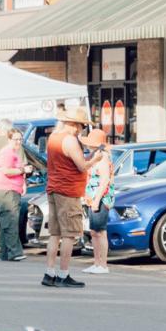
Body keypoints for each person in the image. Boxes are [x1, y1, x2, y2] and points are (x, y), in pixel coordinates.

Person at [43, 106, 93, 289]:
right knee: (69, 235)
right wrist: (94, 159)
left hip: (54, 188)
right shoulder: (70, 140)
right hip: (69, 191)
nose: (82, 129)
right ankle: (64, 274)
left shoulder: (53, 138)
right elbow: (81, 166)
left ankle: (49, 273)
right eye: (82, 126)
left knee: (55, 234)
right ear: (75, 125)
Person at [0, 127, 27, 262]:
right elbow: (7, 171)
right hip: (5, 190)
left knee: (7, 221)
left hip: (4, 189)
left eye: (20, 139)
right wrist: (23, 169)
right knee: (11, 221)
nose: (18, 142)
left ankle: (4, 253)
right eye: (15, 139)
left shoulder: (12, 152)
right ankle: (15, 252)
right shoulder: (8, 152)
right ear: (9, 139)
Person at [81, 128, 114, 275]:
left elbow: (105, 181)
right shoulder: (96, 156)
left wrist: (96, 200)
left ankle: (103, 264)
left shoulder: (103, 157)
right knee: (94, 231)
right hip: (92, 198)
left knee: (100, 231)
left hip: (100, 199)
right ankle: (97, 262)